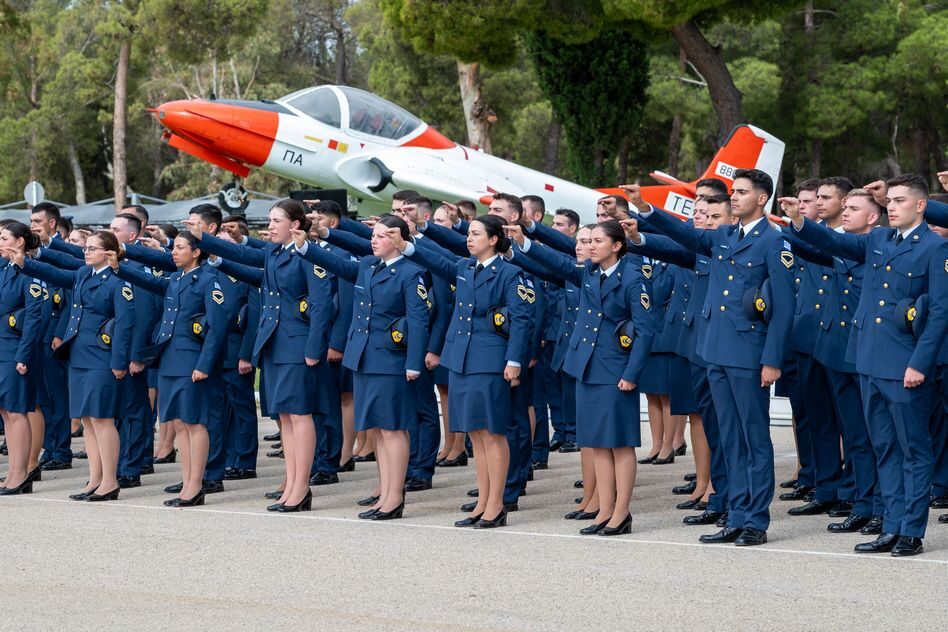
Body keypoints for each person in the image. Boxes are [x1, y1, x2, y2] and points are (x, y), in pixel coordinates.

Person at [784, 173, 948, 557]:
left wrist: (920, 363)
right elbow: (833, 240)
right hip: (870, 361)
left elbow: (940, 313)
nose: (892, 206)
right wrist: (798, 221)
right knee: (884, 448)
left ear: (921, 206)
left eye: (900, 200)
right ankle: (890, 526)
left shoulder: (933, 249)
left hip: (905, 364)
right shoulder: (877, 240)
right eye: (889, 201)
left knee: (913, 450)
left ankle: (911, 530)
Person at [632, 169, 796, 547]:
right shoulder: (725, 235)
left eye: (741, 192)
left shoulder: (775, 241)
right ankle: (735, 516)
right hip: (716, 350)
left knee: (754, 438)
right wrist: (645, 209)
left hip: (749, 353)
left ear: (761, 198)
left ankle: (756, 519)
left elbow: (784, 307)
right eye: (733, 191)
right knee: (730, 437)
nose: (733, 198)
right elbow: (685, 236)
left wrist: (772, 359)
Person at [185, 199, 333, 512]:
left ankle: (301, 488)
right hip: (275, 343)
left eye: (276, 220)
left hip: (298, 345)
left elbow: (321, 306)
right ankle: (291, 484)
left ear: (294, 225)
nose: (270, 226)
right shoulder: (274, 251)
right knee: (286, 418)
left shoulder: (309, 253)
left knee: (300, 414)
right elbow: (244, 256)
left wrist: (313, 349)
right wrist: (211, 250)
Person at [510, 220, 655, 535]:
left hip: (616, 369)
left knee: (620, 443)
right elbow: (557, 263)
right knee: (596, 443)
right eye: (588, 242)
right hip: (587, 366)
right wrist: (526, 242)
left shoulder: (632, 279)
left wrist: (632, 374)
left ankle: (621, 512)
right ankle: (604, 510)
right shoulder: (589, 273)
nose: (590, 246)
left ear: (616, 245)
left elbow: (645, 332)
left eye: (597, 241)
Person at [395, 214, 531, 528]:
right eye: (468, 234)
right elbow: (437, 261)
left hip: (490, 360)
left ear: (494, 239)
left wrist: (514, 361)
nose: (469, 239)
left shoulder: (510, 273)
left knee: (493, 434)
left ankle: (497, 505)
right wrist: (407, 244)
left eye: (476, 234)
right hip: (461, 359)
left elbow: (521, 321)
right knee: (475, 433)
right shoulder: (466, 268)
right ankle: (483, 501)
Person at [292, 214, 430, 519]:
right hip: (365, 357)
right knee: (379, 430)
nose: (374, 240)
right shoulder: (369, 266)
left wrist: (413, 363)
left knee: (393, 429)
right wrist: (307, 247)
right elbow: (340, 266)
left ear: (397, 239)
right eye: (374, 235)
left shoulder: (412, 272)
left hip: (392, 359)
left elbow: (419, 322)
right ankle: (384, 492)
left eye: (382, 236)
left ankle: (395, 497)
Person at [108, 232, 228, 506]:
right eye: (173, 248)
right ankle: (187, 482)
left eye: (180, 248)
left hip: (191, 361)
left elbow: (217, 328)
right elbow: (149, 281)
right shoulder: (176, 278)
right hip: (170, 360)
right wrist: (118, 269)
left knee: (194, 423)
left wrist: (204, 365)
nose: (173, 252)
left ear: (196, 252)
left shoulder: (208, 280)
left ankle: (196, 485)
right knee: (178, 423)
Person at [16, 229, 133, 501]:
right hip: (79, 355)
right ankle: (95, 478)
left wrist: (119, 361)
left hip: (103, 357)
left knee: (103, 419)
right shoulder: (83, 274)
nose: (86, 252)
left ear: (108, 252)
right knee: (88, 421)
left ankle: (110, 481)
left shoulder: (119, 280)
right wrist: (25, 263)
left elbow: (125, 325)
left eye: (92, 248)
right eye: (86, 248)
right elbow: (58, 275)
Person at [0, 222, 46, 495]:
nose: (0, 242)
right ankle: (12, 471)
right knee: (6, 412)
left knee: (17, 411)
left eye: (4, 237)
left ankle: (22, 474)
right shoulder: (5, 269)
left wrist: (24, 355)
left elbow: (34, 318)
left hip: (17, 350)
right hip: (2, 348)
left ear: (19, 242)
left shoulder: (30, 272)